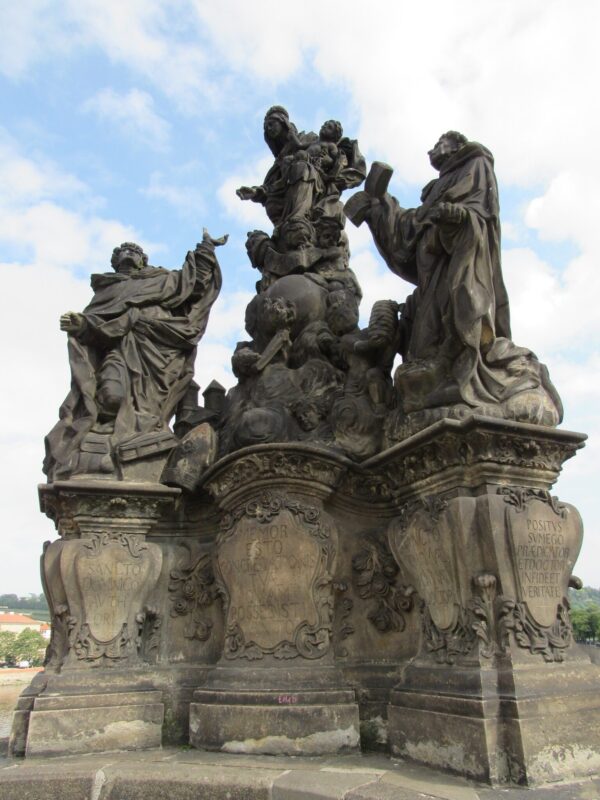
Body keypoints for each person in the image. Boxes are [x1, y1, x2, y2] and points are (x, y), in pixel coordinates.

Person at [359, 132, 562, 425]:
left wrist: (458, 217)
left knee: (460, 308)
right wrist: (380, 204)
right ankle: (439, 377)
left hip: (459, 261)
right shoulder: (435, 189)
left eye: (439, 143)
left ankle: (466, 373)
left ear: (455, 146)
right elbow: (411, 230)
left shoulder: (475, 163)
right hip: (432, 275)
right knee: (425, 343)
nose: (431, 150)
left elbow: (480, 213)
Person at [44, 231, 226, 480]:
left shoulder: (161, 279)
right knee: (111, 396)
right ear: (115, 261)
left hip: (160, 350)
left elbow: (194, 283)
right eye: (123, 251)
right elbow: (98, 326)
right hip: (121, 350)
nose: (129, 254)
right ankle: (106, 438)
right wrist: (82, 325)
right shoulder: (108, 290)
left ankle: (129, 444)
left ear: (143, 260)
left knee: (150, 407)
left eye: (135, 251)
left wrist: (205, 248)